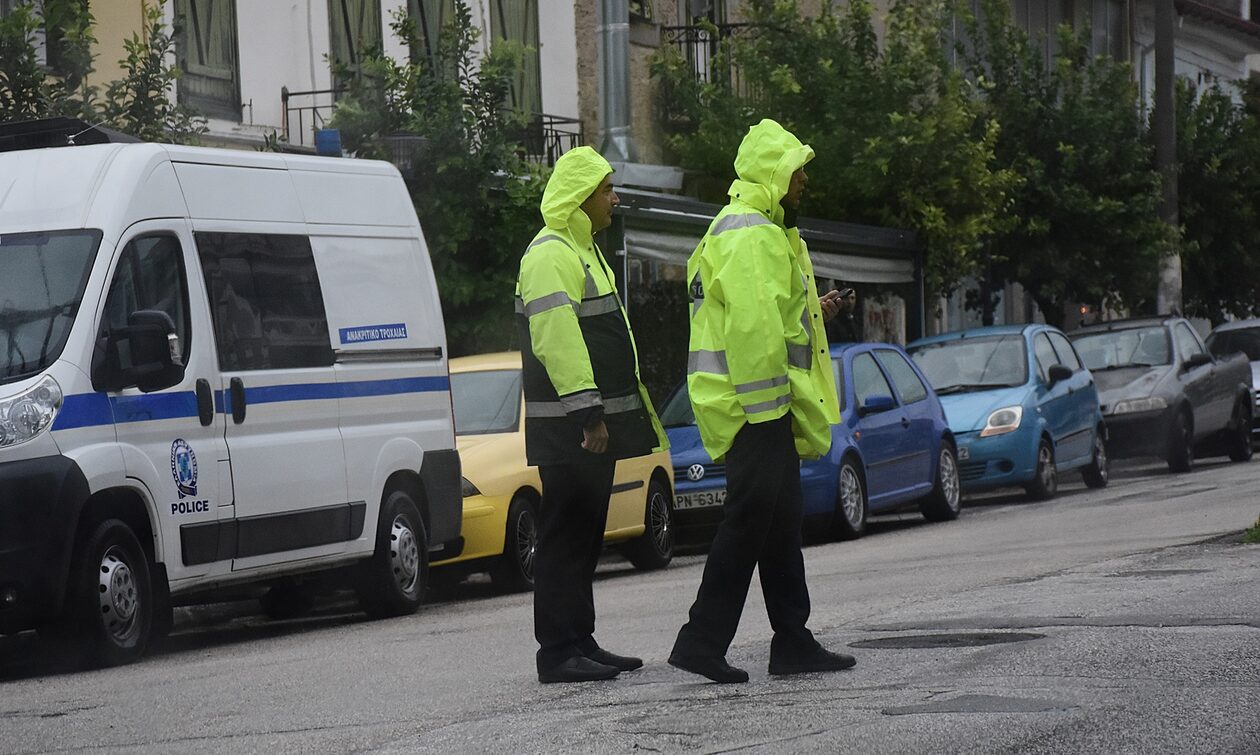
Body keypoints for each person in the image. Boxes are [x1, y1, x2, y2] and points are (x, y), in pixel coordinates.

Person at [669, 119, 854, 684]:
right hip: (757, 407)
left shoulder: (747, 229)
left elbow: (769, 317)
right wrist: (772, 410)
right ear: (775, 175)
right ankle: (701, 640)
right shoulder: (753, 235)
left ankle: (792, 640)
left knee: (777, 521)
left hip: (755, 405)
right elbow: (753, 332)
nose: (804, 185)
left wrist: (813, 309)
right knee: (751, 519)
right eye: (798, 174)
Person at [514, 146, 668, 684]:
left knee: (583, 534)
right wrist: (587, 414)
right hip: (569, 428)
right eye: (607, 188)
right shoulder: (551, 253)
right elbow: (559, 342)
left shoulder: (583, 250)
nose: (615, 197)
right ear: (582, 197)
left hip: (583, 425)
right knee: (563, 535)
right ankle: (557, 652)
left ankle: (580, 640)